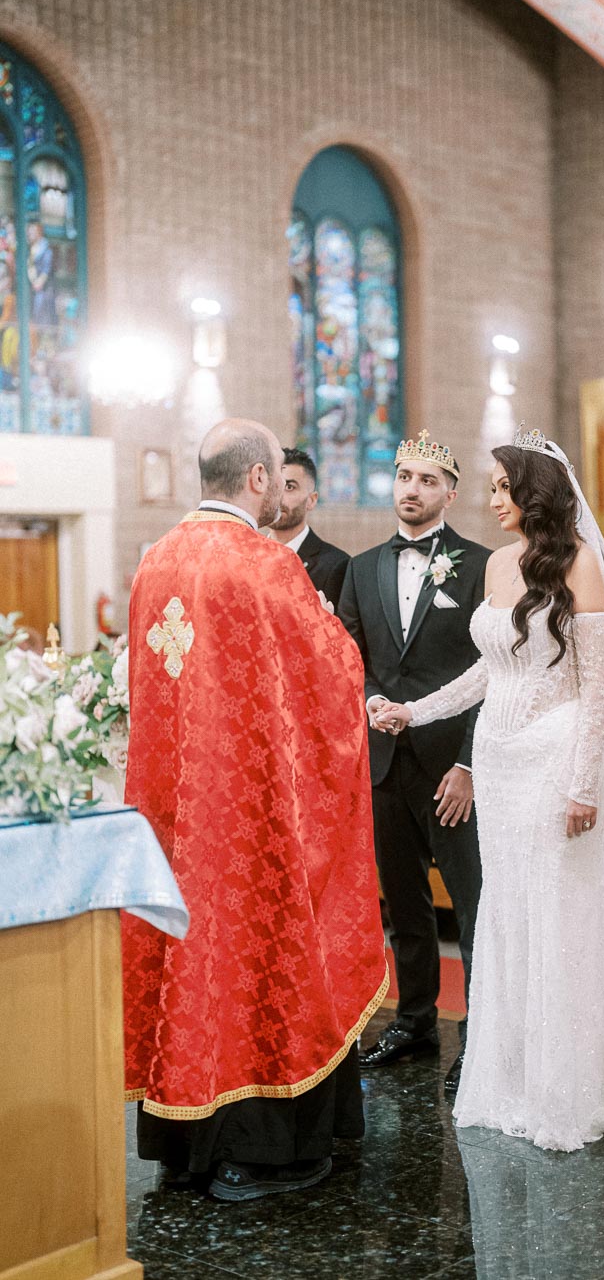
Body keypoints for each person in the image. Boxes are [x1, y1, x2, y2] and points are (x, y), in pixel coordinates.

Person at [374, 427, 604, 1150]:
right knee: (506, 912)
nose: (493, 500)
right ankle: (512, 1077)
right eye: (491, 488)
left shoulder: (581, 568)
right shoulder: (500, 566)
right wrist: (415, 711)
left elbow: (600, 690)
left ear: (536, 490)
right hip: (502, 763)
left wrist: (583, 785)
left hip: (556, 758)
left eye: (504, 487)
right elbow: (490, 671)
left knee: (559, 912)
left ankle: (575, 1086)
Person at [122, 418, 387, 1202]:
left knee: (188, 962)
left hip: (171, 820)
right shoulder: (266, 566)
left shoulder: (154, 563)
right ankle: (263, 1151)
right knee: (255, 966)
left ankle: (181, 1149)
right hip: (252, 824)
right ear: (260, 480)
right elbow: (331, 678)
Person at [338, 430, 490, 1093]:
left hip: (450, 763)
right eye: (404, 477)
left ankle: (484, 1035)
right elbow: (350, 652)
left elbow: (499, 671)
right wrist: (368, 698)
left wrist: (470, 765)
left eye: (428, 480)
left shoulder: (482, 565)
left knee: (474, 902)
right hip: (383, 760)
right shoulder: (363, 566)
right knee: (404, 904)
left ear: (449, 493)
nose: (412, 490)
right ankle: (418, 1019)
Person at [269, 446, 349, 609]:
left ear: (311, 500)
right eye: (274, 486)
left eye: (289, 487)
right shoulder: (249, 556)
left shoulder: (337, 565)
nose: (278, 497)